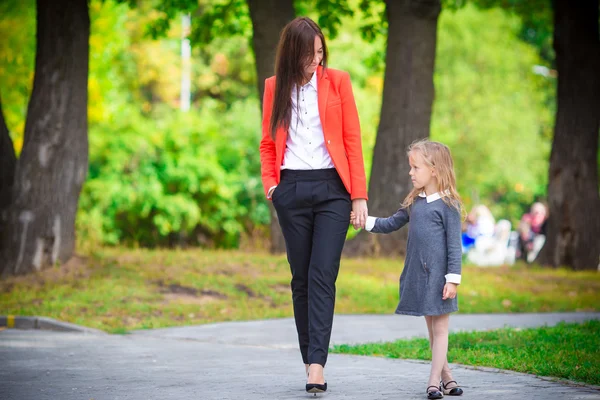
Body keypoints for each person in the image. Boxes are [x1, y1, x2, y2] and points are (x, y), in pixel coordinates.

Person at [259, 16, 369, 394]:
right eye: (310, 54)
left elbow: (352, 139)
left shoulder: (337, 81)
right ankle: (310, 361)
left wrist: (359, 196)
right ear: (293, 53)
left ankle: (318, 366)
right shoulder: (275, 87)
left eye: (321, 52)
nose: (317, 61)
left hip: (333, 190)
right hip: (291, 189)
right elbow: (267, 143)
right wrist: (273, 187)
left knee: (323, 274)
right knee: (301, 279)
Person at [351, 139, 465, 399]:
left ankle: (433, 382)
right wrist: (363, 221)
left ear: (434, 169)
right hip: (418, 274)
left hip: (440, 279)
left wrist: (453, 279)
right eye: (410, 167)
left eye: (415, 168)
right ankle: (447, 377)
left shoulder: (449, 206)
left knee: (440, 330)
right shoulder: (415, 203)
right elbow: (390, 223)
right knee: (431, 330)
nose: (410, 173)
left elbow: (454, 248)